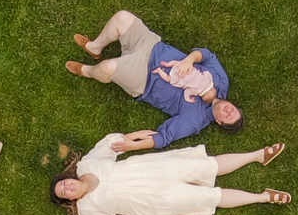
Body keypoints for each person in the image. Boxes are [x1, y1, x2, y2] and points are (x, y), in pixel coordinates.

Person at [51, 132, 287, 215]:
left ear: (68, 177)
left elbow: (110, 144)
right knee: (208, 197)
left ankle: (257, 155)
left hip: (154, 168)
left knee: (207, 166)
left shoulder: (86, 165)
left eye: (64, 183)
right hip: (155, 201)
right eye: (64, 192)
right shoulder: (87, 210)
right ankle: (263, 197)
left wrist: (135, 138)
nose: (68, 187)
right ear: (69, 200)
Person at [66, 10, 243, 148]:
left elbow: (164, 136)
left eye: (228, 117)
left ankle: (87, 71)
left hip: (144, 79)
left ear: (219, 122)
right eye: (233, 111)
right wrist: (189, 60)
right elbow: (208, 56)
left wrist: (132, 145)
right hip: (154, 47)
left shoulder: (195, 120)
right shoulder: (221, 81)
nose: (229, 111)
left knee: (107, 68)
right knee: (123, 17)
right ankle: (94, 48)